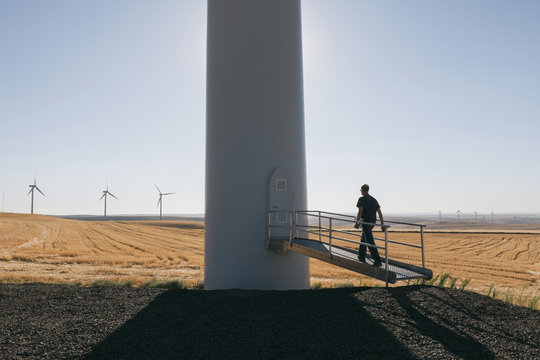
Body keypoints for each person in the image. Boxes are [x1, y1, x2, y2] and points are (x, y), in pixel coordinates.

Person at [353, 184, 386, 267]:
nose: (361, 192)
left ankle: (377, 260)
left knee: (369, 241)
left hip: (366, 222)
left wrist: (357, 223)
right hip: (372, 222)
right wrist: (382, 224)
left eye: (361, 190)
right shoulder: (373, 199)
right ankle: (361, 256)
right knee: (364, 238)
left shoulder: (361, 199)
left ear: (363, 190)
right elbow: (379, 212)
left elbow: (360, 211)